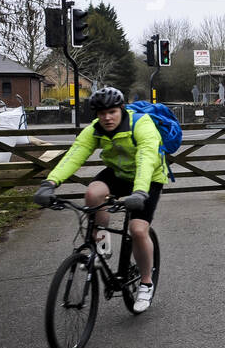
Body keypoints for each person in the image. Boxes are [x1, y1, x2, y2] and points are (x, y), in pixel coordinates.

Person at [34, 86, 167, 312]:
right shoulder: (95, 130)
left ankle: (146, 282)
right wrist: (50, 183)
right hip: (118, 173)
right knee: (92, 193)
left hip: (148, 178)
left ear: (121, 109)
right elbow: (75, 154)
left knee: (137, 230)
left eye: (112, 112)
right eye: (101, 113)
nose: (106, 117)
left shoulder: (141, 124)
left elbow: (147, 158)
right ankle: (102, 246)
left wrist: (140, 192)